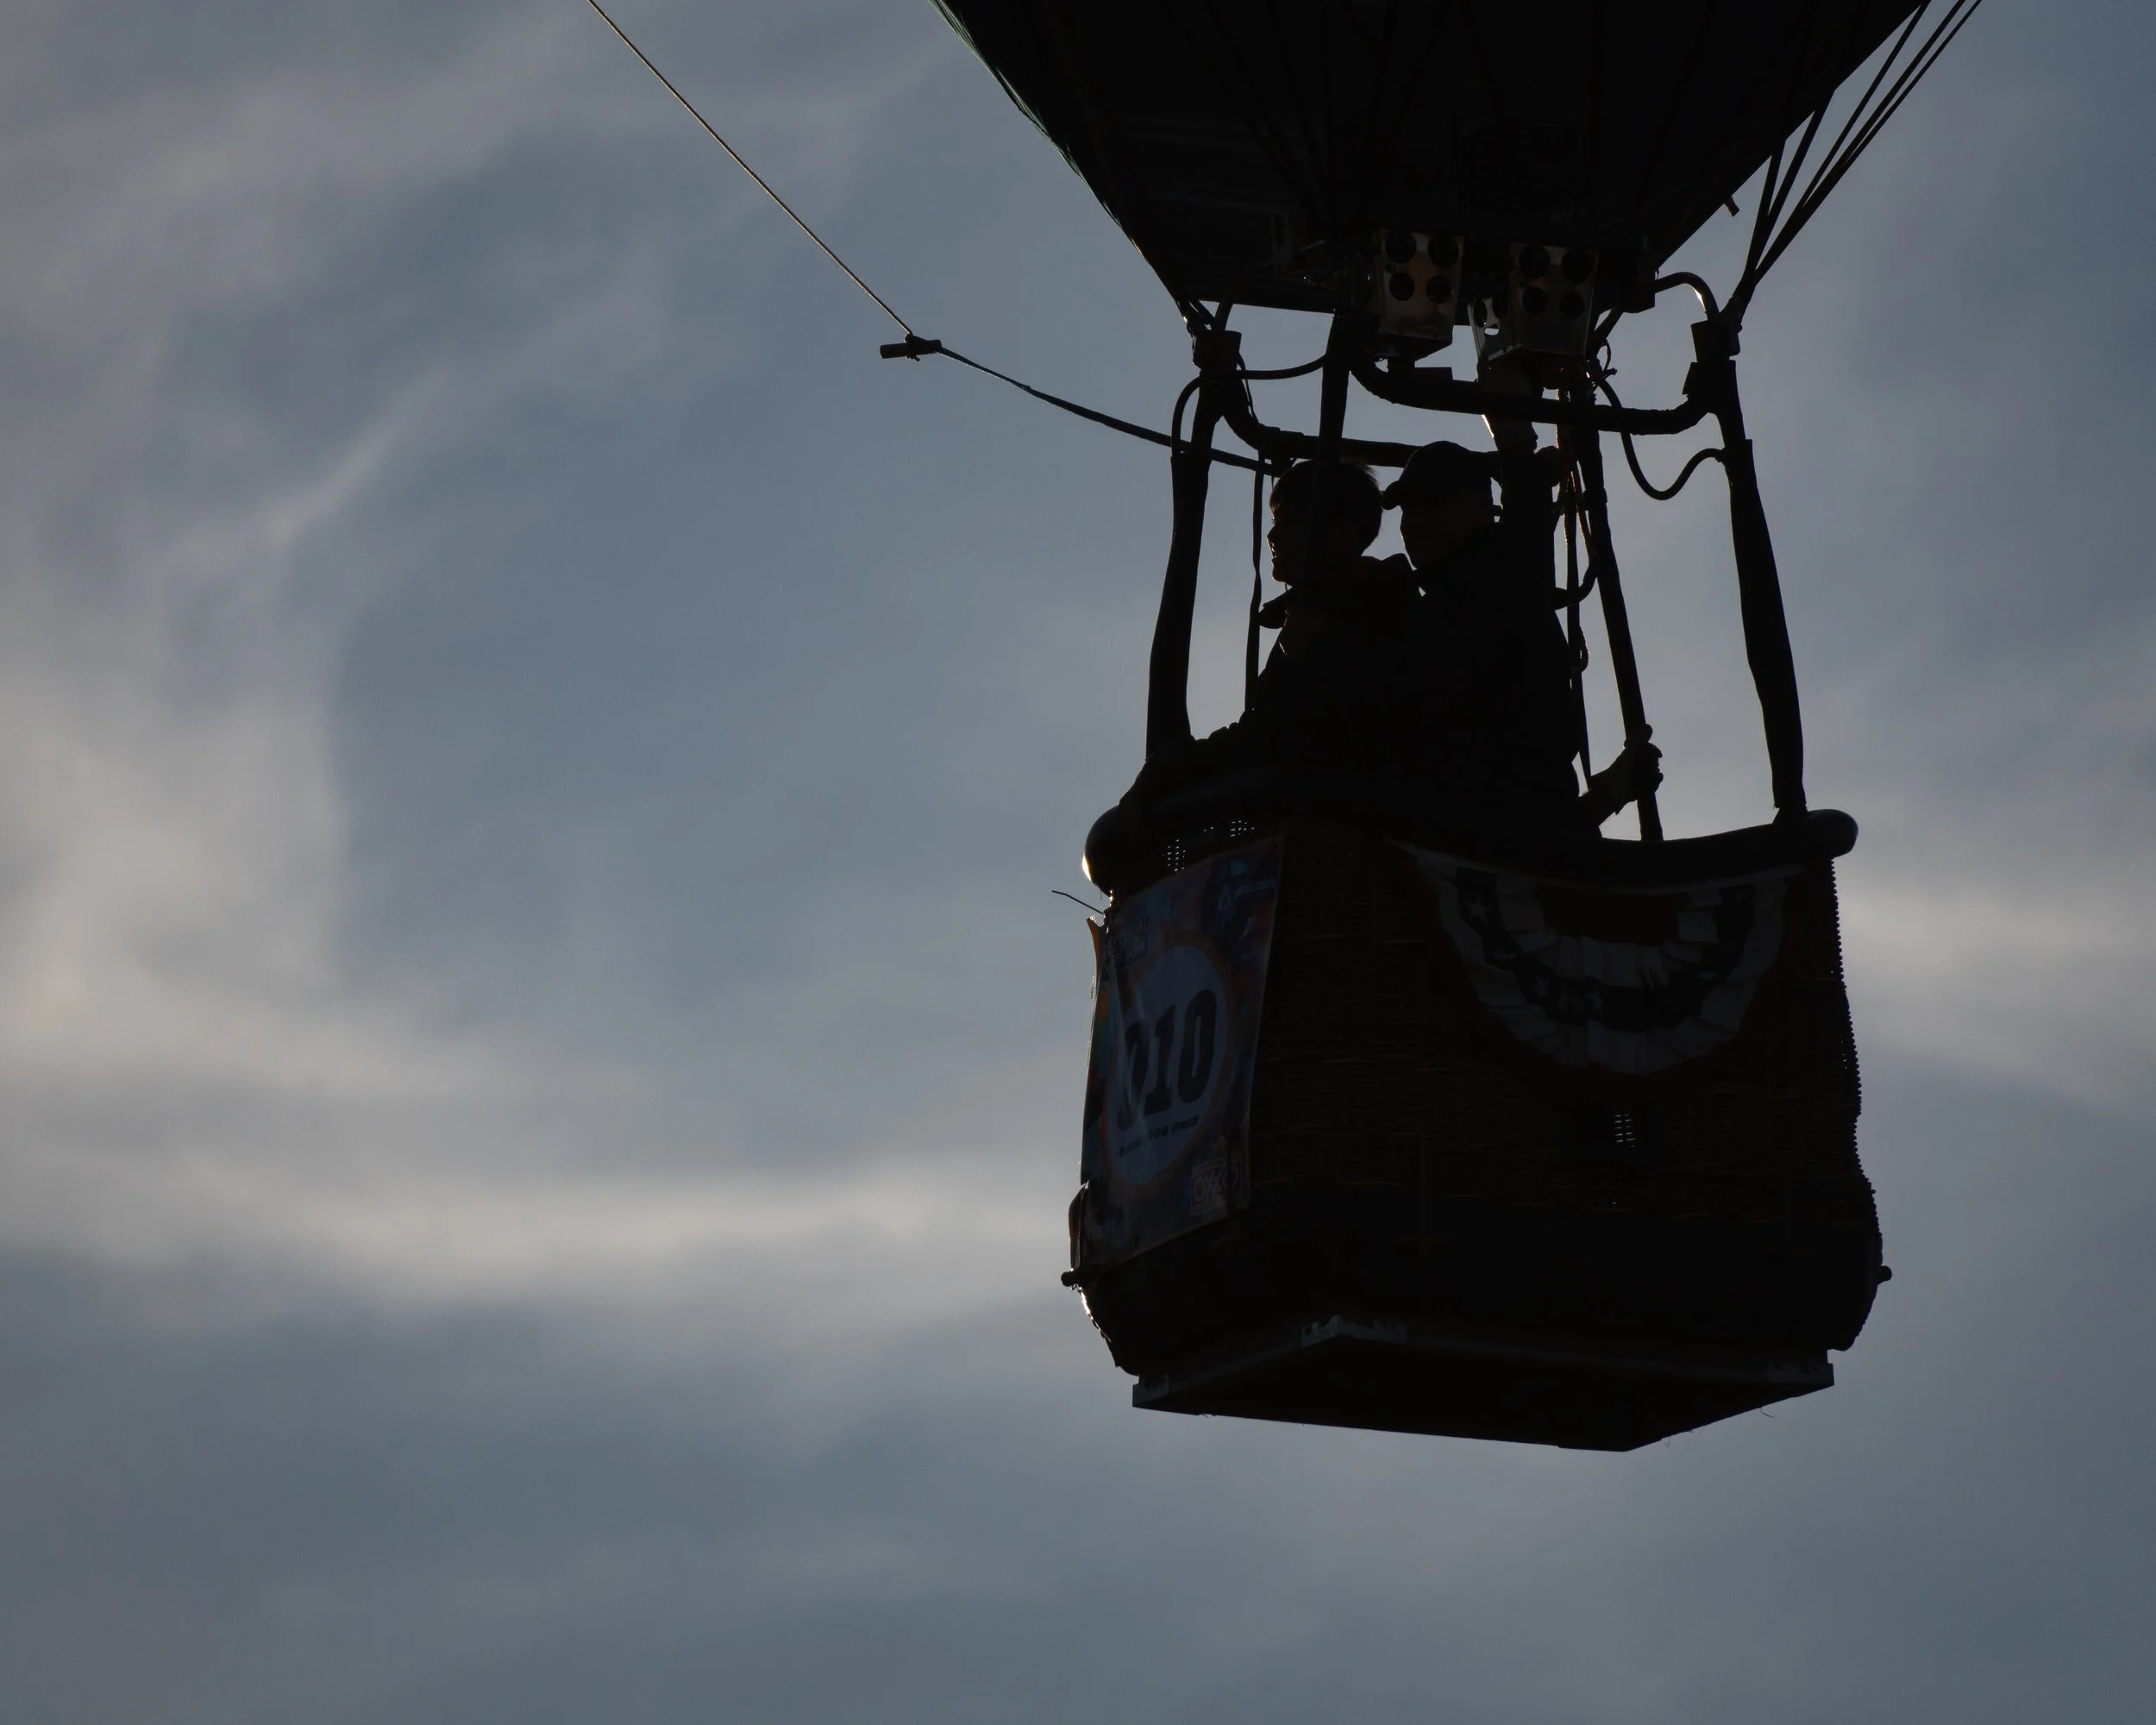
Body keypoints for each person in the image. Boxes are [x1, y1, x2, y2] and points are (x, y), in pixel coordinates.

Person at [1388, 438, 1659, 832]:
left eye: (1430, 504)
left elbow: (1521, 534)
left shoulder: (1493, 577)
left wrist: (1527, 471)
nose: (1412, 524)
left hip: (1481, 840)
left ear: (1476, 507)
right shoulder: (1444, 602)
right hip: (1495, 841)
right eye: (1407, 510)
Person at [1132, 459, 1426, 796]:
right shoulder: (1323, 609)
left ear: (1338, 535)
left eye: (1289, 520)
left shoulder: (1363, 614)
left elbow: (1278, 731)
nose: (1272, 535)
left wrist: (1178, 765)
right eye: (1274, 521)